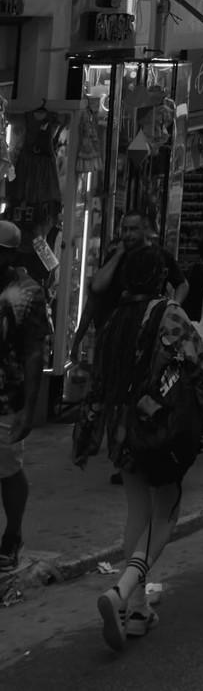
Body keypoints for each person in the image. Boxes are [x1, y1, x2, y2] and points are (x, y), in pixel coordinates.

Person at [77, 246, 203, 649]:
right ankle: (121, 591)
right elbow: (197, 367)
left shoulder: (115, 318)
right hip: (157, 424)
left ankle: (137, 608)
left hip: (119, 428)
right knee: (166, 512)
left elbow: (96, 381)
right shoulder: (168, 313)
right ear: (159, 277)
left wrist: (87, 435)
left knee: (137, 510)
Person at [0, 222, 46, 574]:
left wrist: (29, 408)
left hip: (6, 396)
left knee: (8, 469)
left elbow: (34, 352)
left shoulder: (27, 292)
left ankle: (13, 532)